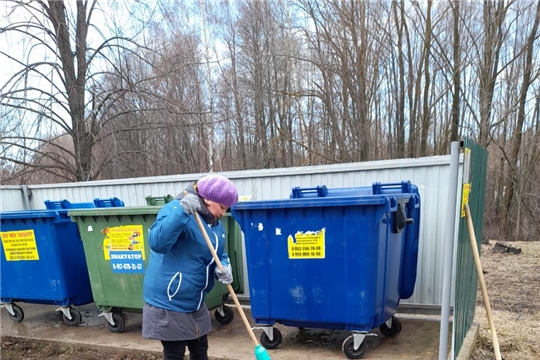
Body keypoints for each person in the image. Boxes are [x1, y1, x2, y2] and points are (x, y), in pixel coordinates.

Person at [142, 174, 239, 360]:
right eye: (222, 207)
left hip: (194, 299)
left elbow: (218, 253)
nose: (223, 213)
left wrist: (224, 267)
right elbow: (157, 243)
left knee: (200, 350)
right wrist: (181, 212)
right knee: (175, 354)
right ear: (208, 199)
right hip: (170, 299)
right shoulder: (175, 209)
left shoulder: (213, 222)